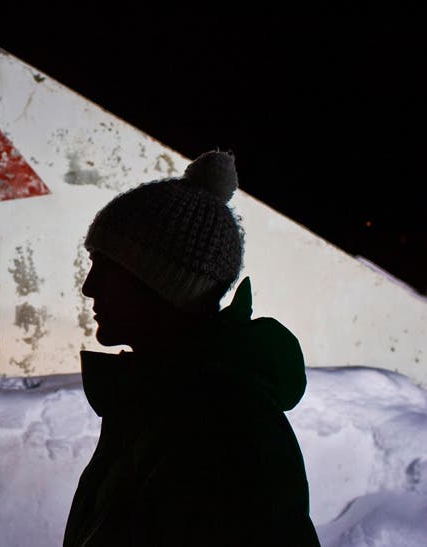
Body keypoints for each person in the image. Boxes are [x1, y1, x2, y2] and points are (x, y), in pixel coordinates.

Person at [63, 151, 320, 546]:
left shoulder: (227, 433)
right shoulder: (159, 404)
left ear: (163, 286)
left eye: (107, 266)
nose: (89, 287)